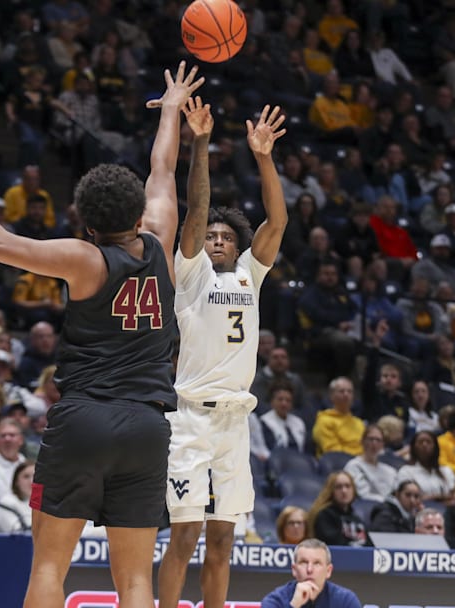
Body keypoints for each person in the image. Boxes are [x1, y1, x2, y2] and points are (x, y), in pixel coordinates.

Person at [0, 61, 202, 608]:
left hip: (85, 417)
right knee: (134, 581)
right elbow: (162, 170)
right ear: (135, 214)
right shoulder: (158, 239)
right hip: (149, 425)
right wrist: (172, 109)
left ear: (86, 221)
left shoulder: (82, 259)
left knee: (50, 565)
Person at [159, 99, 287, 608]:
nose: (214, 240)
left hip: (236, 422)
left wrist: (264, 158)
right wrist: (202, 142)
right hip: (190, 421)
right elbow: (195, 207)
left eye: (224, 236)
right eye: (209, 235)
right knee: (184, 538)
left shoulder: (249, 275)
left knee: (222, 542)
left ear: (238, 247)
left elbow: (276, 222)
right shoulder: (190, 274)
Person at [260, 539, 361, 608]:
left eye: (317, 563)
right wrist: (294, 605)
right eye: (303, 562)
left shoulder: (345, 601)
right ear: (294, 570)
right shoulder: (275, 601)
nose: (309, 569)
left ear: (328, 571)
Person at [307, 471, 372, 547]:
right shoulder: (324, 515)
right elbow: (335, 546)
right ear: (331, 491)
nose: (344, 491)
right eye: (338, 487)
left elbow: (371, 547)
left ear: (353, 490)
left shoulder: (356, 519)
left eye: (348, 486)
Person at [0, 461, 36, 533]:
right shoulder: (7, 502)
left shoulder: (44, 504)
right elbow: (19, 535)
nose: (31, 481)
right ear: (16, 482)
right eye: (26, 476)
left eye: (35, 476)